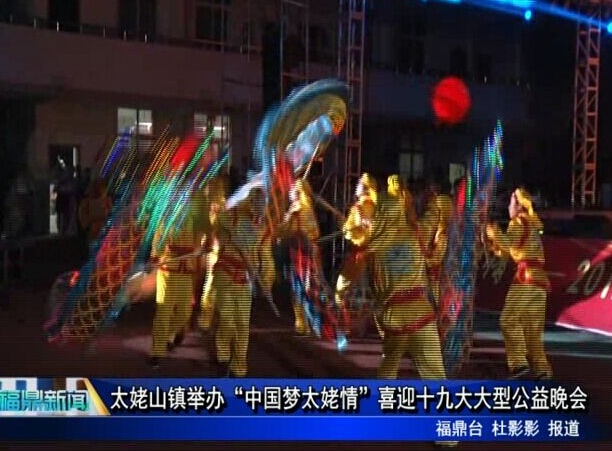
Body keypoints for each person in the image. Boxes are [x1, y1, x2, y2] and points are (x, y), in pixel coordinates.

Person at [204, 189, 275, 377]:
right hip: (225, 274)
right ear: (251, 202)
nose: (260, 207)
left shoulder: (264, 228)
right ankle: (223, 357)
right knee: (227, 319)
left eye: (263, 203)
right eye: (257, 202)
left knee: (243, 324)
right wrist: (226, 235)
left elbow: (266, 256)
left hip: (245, 279)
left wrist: (266, 282)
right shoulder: (233, 216)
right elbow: (216, 225)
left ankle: (239, 368)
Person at [486, 187, 552, 380]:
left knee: (508, 320)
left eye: (511, 202)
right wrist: (494, 243)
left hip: (526, 279)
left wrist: (493, 232)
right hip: (539, 282)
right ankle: (542, 370)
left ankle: (519, 364)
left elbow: (511, 247)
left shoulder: (518, 222)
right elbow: (513, 251)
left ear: (518, 205)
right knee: (533, 328)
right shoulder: (530, 223)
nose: (508, 206)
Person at [148, 207, 196, 369]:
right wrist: (155, 255)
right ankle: (157, 352)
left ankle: (168, 335)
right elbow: (158, 241)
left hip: (186, 270)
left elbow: (201, 239)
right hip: (168, 270)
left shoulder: (194, 217)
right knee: (164, 312)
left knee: (185, 312)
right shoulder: (165, 218)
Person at [275, 179, 322, 336]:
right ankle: (312, 325)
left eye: (292, 189)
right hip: (309, 253)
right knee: (309, 290)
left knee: (300, 290)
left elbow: (285, 231)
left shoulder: (297, 210)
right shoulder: (308, 209)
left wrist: (276, 226)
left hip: (301, 255)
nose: (290, 191)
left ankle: (305, 325)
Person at [334, 173, 378, 331]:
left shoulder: (359, 208)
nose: (356, 186)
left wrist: (346, 227)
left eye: (359, 183)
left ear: (365, 189)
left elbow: (353, 232)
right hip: (372, 256)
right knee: (367, 292)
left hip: (359, 256)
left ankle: (349, 325)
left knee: (342, 289)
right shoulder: (375, 207)